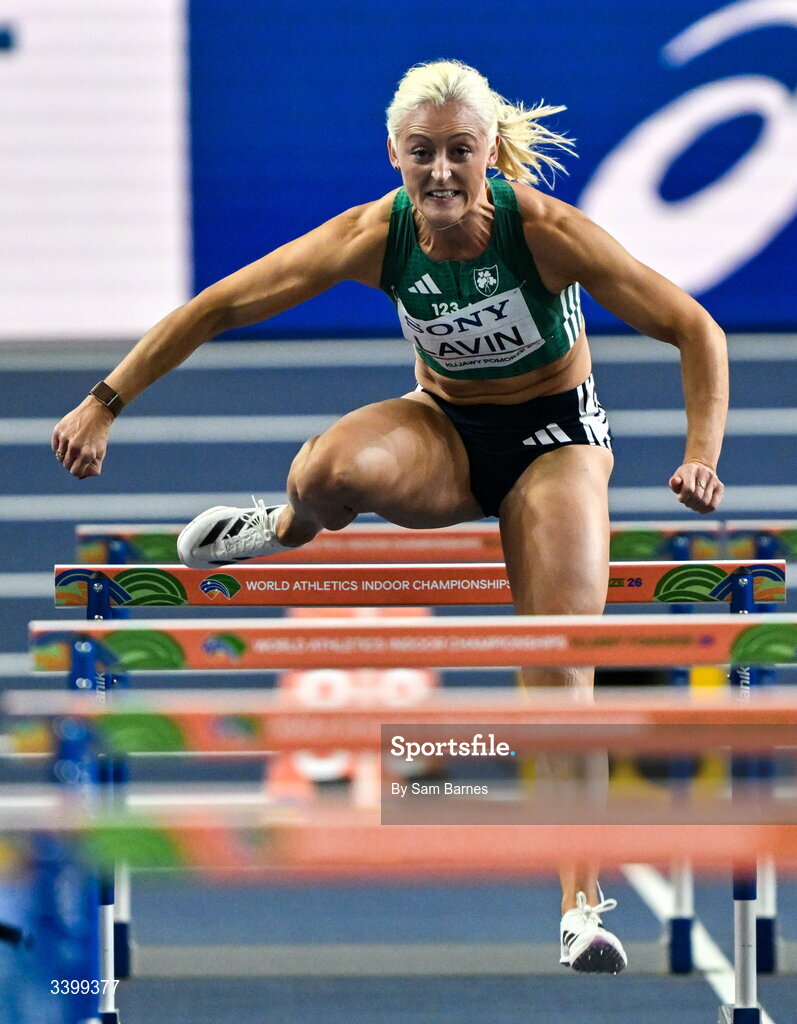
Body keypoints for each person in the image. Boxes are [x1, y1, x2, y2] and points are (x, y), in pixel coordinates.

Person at [52, 59, 727, 974]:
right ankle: (288, 526)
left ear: (490, 153)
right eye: (422, 156)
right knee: (324, 467)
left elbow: (696, 328)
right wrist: (104, 401)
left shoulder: (550, 235)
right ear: (393, 156)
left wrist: (700, 454)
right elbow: (218, 307)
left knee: (560, 663)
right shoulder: (376, 235)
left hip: (556, 442)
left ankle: (578, 906)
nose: (441, 173)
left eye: (459, 152)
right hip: (444, 431)